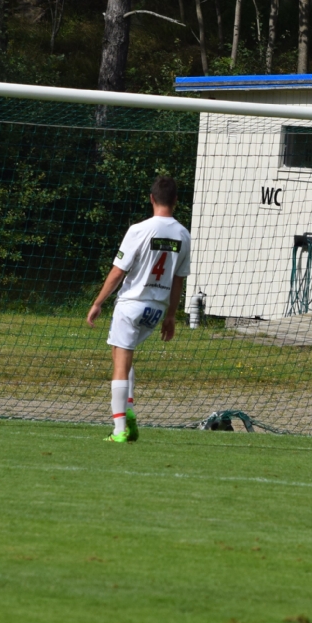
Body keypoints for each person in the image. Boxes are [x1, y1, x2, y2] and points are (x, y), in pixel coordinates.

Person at [86, 176, 191, 443]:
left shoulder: (139, 230)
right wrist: (171, 315)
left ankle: (120, 429)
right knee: (122, 355)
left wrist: (98, 302)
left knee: (120, 364)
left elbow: (118, 272)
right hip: (156, 310)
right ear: (176, 201)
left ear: (151, 198)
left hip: (132, 304)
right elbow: (178, 280)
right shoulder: (183, 234)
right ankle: (129, 412)